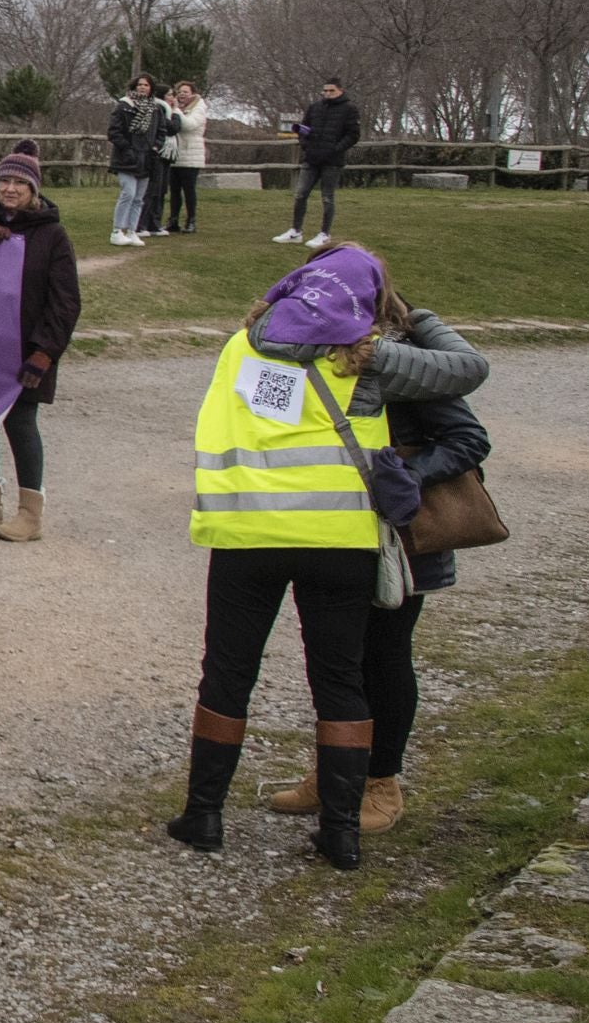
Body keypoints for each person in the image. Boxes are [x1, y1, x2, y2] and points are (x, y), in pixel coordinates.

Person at [167, 246, 416, 870]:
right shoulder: (372, 357)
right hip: (340, 539)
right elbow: (468, 369)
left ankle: (203, 814)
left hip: (247, 531)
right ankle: (341, 832)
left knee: (227, 671)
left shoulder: (242, 345)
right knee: (339, 679)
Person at [268, 298, 489, 836]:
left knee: (383, 656)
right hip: (328, 532)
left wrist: (403, 475)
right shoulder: (297, 358)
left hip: (402, 537)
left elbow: (469, 439)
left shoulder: (404, 359)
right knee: (334, 659)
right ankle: (334, 773)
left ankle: (381, 781)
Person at [0, 141, 81, 544]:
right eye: (4, 181)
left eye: (19, 183)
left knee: (21, 423)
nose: (10, 189)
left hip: (30, 348)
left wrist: (45, 352)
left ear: (34, 190)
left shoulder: (53, 236)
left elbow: (66, 302)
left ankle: (31, 512)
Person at [281, 76, 360, 248]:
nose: (328, 94)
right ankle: (295, 231)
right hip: (312, 158)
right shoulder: (315, 107)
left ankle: (324, 234)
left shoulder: (349, 109)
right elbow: (304, 129)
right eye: (325, 90)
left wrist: (336, 148)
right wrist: (306, 145)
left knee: (327, 197)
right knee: (300, 194)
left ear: (340, 91)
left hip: (332, 161)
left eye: (332, 90)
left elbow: (353, 135)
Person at [105, 72, 167, 247]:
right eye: (140, 84)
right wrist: (127, 148)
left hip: (147, 158)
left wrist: (155, 147)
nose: (142, 87)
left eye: (146, 85)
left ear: (151, 88)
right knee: (128, 193)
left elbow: (161, 131)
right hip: (127, 157)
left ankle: (132, 231)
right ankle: (117, 230)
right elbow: (114, 132)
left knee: (139, 197)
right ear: (133, 86)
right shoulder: (124, 105)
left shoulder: (155, 109)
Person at [161, 81, 209, 234]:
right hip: (176, 154)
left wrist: (176, 111)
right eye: (179, 92)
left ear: (193, 93)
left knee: (189, 190)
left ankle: (191, 220)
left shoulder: (199, 108)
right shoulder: (176, 108)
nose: (181, 94)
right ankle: (173, 220)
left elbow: (189, 125)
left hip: (191, 154)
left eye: (185, 92)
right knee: (174, 191)